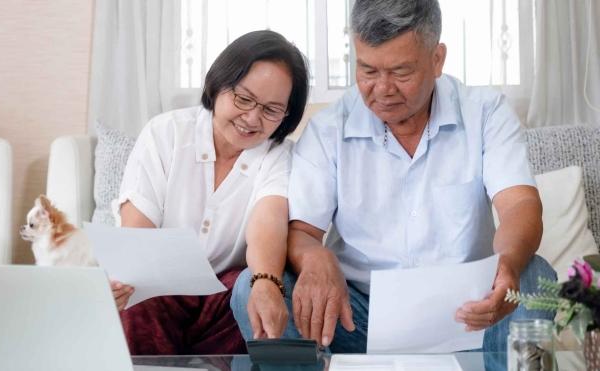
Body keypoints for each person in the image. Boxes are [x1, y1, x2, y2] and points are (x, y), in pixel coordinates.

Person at [231, 0, 555, 352]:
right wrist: (314, 258)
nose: (382, 89)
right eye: (368, 71)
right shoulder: (328, 129)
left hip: (470, 313)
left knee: (533, 275)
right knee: (253, 284)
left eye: (401, 72)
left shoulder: (485, 112)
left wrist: (506, 264)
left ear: (437, 60)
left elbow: (520, 204)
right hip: (355, 318)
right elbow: (303, 232)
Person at [111, 30, 309, 355]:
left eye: (272, 110)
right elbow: (137, 235)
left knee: (251, 290)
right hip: (160, 292)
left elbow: (268, 221)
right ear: (218, 84)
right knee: (136, 300)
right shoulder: (166, 134)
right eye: (243, 99)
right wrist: (125, 281)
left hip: (223, 301)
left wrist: (266, 282)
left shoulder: (280, 156)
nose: (252, 118)